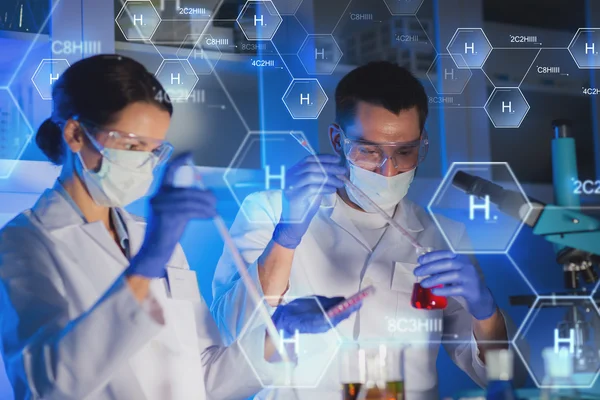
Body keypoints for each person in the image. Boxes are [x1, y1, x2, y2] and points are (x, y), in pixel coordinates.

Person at [0, 54, 360, 400]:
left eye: (155, 149)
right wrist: (152, 256)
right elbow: (49, 386)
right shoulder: (22, 243)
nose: (145, 161)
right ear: (76, 134)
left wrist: (282, 329)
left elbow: (204, 376)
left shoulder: (152, 236)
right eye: (132, 145)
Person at [212, 61, 523, 399]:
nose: (389, 170)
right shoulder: (268, 210)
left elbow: (498, 377)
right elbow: (231, 333)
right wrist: (286, 236)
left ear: (422, 143)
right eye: (369, 151)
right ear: (337, 141)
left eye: (405, 152)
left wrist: (485, 310)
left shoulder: (445, 235)